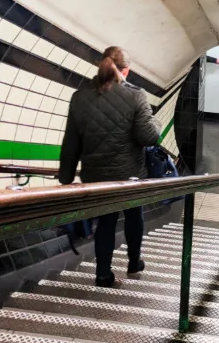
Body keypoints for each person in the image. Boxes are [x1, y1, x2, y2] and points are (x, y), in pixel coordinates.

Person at [59, 46, 160, 287]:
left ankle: (103, 273)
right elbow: (148, 137)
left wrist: (66, 176)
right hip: (129, 176)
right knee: (134, 216)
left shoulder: (80, 97)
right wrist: (154, 120)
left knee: (105, 222)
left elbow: (71, 141)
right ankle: (134, 262)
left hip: (96, 176)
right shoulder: (136, 96)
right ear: (126, 70)